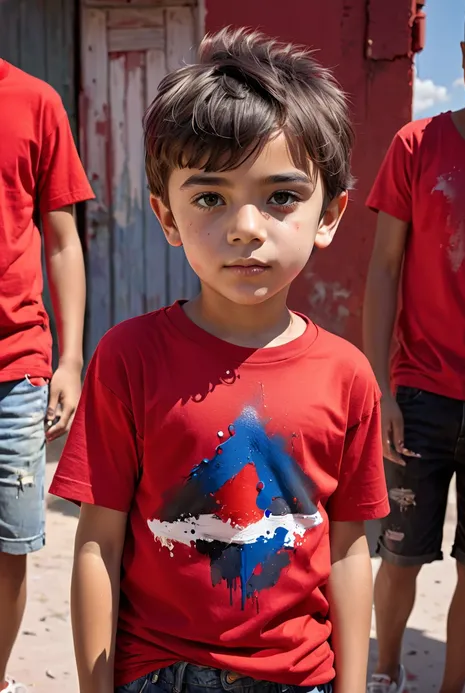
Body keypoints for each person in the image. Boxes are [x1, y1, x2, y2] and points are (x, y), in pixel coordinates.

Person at [50, 27, 389, 693]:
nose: (245, 226)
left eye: (281, 196)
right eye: (210, 197)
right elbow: (99, 544)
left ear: (330, 213)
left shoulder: (348, 376)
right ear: (167, 216)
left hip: (300, 676)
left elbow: (349, 549)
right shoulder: (129, 356)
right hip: (160, 675)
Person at [363, 3, 465, 692]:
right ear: (464, 56)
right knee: (399, 557)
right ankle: (384, 671)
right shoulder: (417, 145)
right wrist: (380, 389)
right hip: (421, 395)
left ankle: (452, 684)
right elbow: (382, 270)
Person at [0, 60, 93, 693]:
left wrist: (69, 357)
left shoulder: (34, 101)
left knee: (9, 548)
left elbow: (61, 240)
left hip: (15, 367)